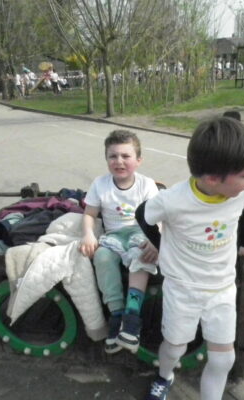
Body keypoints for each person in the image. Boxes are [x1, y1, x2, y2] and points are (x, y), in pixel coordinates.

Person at [136, 116, 244, 400]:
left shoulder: (238, 193)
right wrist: (159, 244)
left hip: (222, 289)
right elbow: (142, 214)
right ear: (212, 179)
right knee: (174, 348)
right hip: (182, 289)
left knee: (223, 359)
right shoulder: (174, 200)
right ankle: (164, 376)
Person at [80, 130, 159, 354]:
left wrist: (155, 241)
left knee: (141, 256)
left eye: (126, 156)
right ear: (106, 159)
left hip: (139, 232)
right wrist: (88, 234)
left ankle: (131, 317)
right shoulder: (100, 184)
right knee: (102, 257)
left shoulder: (146, 185)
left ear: (138, 160)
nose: (119, 161)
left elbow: (158, 218)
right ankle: (116, 314)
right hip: (113, 236)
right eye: (113, 156)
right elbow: (89, 214)